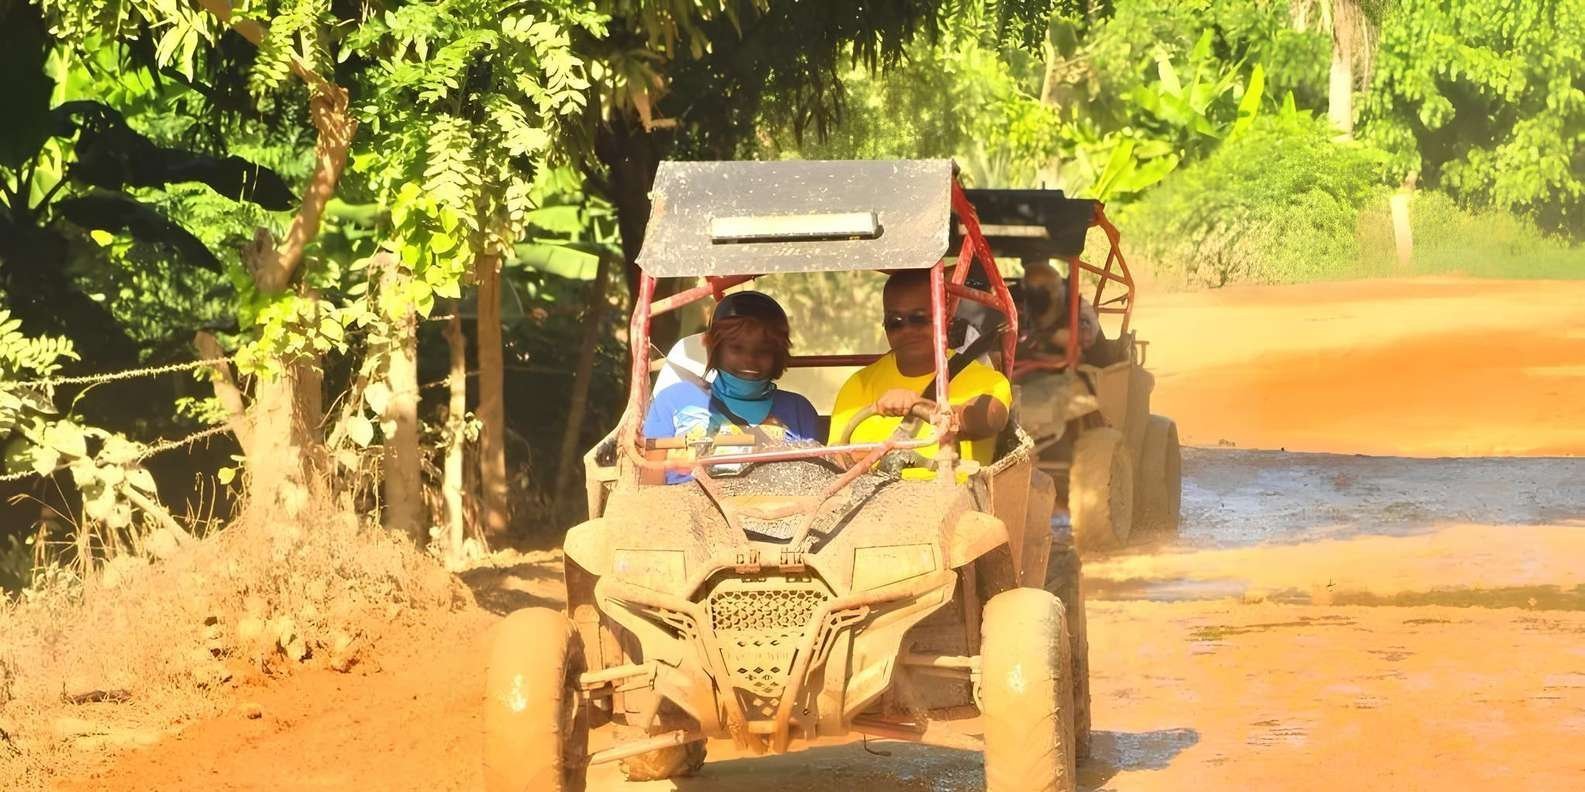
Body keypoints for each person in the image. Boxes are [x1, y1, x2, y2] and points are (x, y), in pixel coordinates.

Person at [828, 270, 1011, 474]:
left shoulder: (983, 379)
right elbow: (836, 456)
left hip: (954, 500)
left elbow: (989, 418)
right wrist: (872, 456)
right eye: (895, 322)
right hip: (870, 502)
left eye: (918, 319)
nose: (907, 330)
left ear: (944, 318)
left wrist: (922, 406)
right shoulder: (859, 384)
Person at [643, 291, 819, 482]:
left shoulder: (799, 409)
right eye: (736, 348)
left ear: (777, 355)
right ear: (715, 349)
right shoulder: (674, 399)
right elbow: (648, 486)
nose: (750, 359)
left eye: (763, 350)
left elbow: (814, 480)